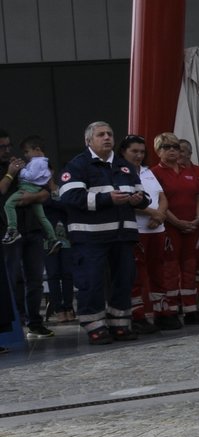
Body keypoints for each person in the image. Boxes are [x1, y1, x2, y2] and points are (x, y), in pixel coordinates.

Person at [57, 121, 144, 344]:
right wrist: (107, 199)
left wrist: (139, 199)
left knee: (124, 279)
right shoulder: (77, 166)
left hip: (123, 235)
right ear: (88, 141)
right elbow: (70, 198)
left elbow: (142, 195)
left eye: (110, 134)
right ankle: (94, 326)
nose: (107, 137)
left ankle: (120, 323)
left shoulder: (125, 166)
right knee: (91, 281)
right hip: (90, 237)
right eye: (101, 135)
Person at [151, 131, 199, 326]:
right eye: (166, 147)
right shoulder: (154, 173)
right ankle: (169, 310)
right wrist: (176, 222)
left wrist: (197, 218)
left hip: (191, 227)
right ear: (158, 151)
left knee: (190, 267)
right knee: (170, 269)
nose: (172, 151)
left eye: (175, 147)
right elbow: (158, 201)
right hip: (170, 228)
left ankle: (191, 310)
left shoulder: (190, 171)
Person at [0, 132, 55, 340]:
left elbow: (44, 192)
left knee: (35, 280)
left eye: (8, 145)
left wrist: (33, 196)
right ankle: (15, 323)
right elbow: (2, 189)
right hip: (8, 232)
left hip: (32, 229)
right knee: (12, 279)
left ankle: (35, 322)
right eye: (2, 147)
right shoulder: (11, 168)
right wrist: (10, 173)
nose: (7, 150)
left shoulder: (23, 164)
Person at [121, 134, 174, 334]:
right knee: (137, 275)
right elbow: (129, 199)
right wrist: (155, 213)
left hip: (156, 228)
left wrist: (159, 215)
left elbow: (162, 197)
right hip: (137, 229)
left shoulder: (147, 172)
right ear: (123, 152)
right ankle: (138, 315)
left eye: (142, 152)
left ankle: (162, 312)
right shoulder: (120, 172)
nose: (139, 155)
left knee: (158, 271)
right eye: (134, 151)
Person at [3, 139, 67, 255]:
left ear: (37, 149)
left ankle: (12, 229)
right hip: (35, 188)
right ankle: (53, 239)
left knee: (8, 204)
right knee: (42, 217)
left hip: (28, 187)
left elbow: (31, 176)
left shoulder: (38, 162)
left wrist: (20, 170)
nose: (25, 155)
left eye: (27, 152)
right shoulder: (40, 162)